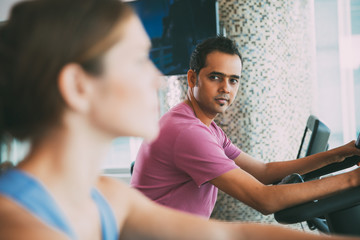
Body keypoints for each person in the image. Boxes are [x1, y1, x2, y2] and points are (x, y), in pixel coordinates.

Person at [0, 1, 358, 240]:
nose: (156, 79)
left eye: (234, 80)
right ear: (78, 86)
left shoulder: (105, 198)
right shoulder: (20, 227)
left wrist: (344, 159)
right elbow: (262, 198)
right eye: (139, 60)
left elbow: (230, 234)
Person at [130, 36, 360, 219]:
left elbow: (264, 171)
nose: (226, 88)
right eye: (215, 77)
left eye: (233, 80)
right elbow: (264, 200)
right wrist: (353, 180)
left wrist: (340, 154)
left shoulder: (205, 127)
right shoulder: (188, 132)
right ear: (192, 79)